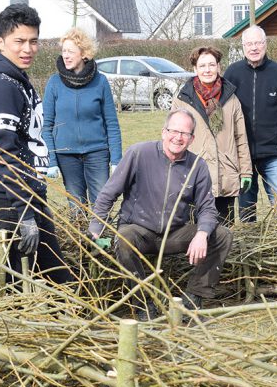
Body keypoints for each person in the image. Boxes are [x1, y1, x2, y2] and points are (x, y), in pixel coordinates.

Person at [89, 110, 233, 319]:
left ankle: (193, 298)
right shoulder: (139, 153)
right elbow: (108, 193)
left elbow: (207, 208)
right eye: (174, 131)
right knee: (123, 238)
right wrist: (95, 229)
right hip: (139, 230)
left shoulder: (197, 165)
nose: (178, 137)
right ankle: (143, 304)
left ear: (192, 139)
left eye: (185, 133)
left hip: (174, 234)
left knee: (222, 235)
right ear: (164, 132)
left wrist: (202, 234)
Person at [0, 3, 73, 286]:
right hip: (9, 204)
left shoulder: (17, 79)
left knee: (54, 281)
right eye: (19, 42)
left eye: (33, 41)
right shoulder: (0, 86)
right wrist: (26, 213)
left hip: (28, 198)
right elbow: (5, 155)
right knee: (26, 291)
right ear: (1, 42)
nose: (27, 49)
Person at [224, 26, 277, 222]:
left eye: (258, 43)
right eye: (249, 44)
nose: (254, 48)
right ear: (243, 46)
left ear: (265, 44)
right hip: (243, 157)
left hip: (274, 155)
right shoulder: (232, 74)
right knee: (246, 212)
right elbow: (222, 114)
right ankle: (250, 249)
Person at [41, 27, 122, 207]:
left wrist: (116, 159)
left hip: (97, 152)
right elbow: (46, 126)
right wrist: (51, 161)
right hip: (66, 154)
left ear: (84, 54)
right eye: (64, 51)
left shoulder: (100, 82)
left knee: (101, 204)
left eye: (71, 51)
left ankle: (102, 236)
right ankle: (80, 237)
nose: (66, 56)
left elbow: (112, 124)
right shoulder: (54, 83)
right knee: (76, 206)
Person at [172, 46, 252, 225]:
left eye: (211, 65)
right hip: (194, 176)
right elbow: (173, 139)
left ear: (218, 67)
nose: (207, 70)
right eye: (202, 66)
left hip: (225, 175)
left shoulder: (231, 99)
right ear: (195, 69)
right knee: (194, 233)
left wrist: (246, 171)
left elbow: (241, 138)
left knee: (224, 233)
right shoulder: (182, 100)